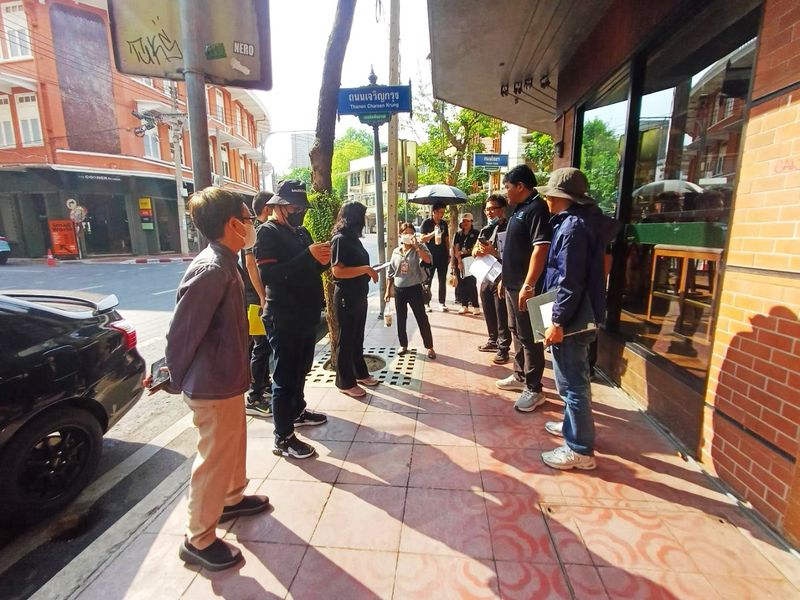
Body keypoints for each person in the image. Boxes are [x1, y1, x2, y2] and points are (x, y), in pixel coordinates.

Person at [163, 187, 269, 571]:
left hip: (228, 379)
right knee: (213, 459)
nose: (252, 225)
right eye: (248, 219)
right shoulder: (211, 269)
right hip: (212, 385)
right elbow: (183, 332)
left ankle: (230, 499)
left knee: (232, 447)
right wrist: (173, 376)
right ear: (232, 224)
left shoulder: (228, 261)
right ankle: (198, 539)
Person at [537, 168, 614, 471]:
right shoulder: (579, 223)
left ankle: (579, 449)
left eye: (549, 194)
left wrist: (557, 321)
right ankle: (573, 426)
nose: (546, 199)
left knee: (572, 385)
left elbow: (569, 282)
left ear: (561, 197)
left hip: (571, 319)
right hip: (577, 314)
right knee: (574, 380)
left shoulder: (573, 228)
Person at [253, 180, 329, 460]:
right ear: (277, 206)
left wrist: (322, 260)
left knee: (301, 370)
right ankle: (283, 437)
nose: (299, 212)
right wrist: (307, 256)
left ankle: (297, 411)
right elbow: (270, 276)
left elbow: (309, 269)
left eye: (301, 207)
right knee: (284, 378)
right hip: (283, 316)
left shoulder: (301, 232)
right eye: (294, 207)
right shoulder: (267, 233)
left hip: (306, 314)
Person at [495, 164, 552, 413]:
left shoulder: (537, 208)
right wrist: (504, 279)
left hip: (524, 287)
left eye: (507, 187)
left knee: (529, 337)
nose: (505, 192)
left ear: (520, 186)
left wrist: (528, 285)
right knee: (516, 331)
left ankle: (534, 388)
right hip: (511, 284)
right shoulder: (520, 208)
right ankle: (520, 375)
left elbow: (541, 248)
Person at [330, 201, 380, 398]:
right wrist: (366, 269)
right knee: (346, 339)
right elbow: (338, 271)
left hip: (359, 295)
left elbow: (357, 267)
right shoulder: (340, 240)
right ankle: (344, 382)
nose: (364, 220)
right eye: (362, 216)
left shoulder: (354, 240)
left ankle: (360, 373)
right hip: (346, 297)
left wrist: (368, 271)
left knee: (357, 337)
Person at [385, 223, 436, 359]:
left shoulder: (420, 247)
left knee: (421, 318)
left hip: (414, 289)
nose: (408, 235)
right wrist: (388, 290)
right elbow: (390, 272)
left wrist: (417, 247)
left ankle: (429, 347)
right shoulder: (396, 251)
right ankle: (403, 344)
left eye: (410, 232)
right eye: (405, 233)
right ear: (400, 235)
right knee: (401, 318)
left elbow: (428, 261)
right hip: (399, 290)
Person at [243, 191, 273, 417]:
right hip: (255, 299)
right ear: (267, 208)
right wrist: (262, 296)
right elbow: (250, 265)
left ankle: (264, 384)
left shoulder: (261, 229)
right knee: (260, 346)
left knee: (265, 345)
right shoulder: (254, 232)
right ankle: (254, 396)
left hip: (260, 297)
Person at [474, 193, 510, 365]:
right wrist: (477, 251)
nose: (489, 212)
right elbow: (475, 249)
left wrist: (493, 252)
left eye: (492, 209)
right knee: (488, 308)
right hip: (486, 274)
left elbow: (512, 255)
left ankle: (503, 348)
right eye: (487, 209)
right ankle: (492, 340)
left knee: (501, 311)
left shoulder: (509, 228)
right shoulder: (486, 229)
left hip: (502, 275)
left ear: (502, 210)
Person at [419, 201, 450, 312]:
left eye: (443, 212)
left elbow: (446, 239)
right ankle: (426, 302)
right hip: (430, 256)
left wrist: (448, 254)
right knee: (428, 280)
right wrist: (434, 232)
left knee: (442, 280)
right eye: (439, 212)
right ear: (434, 212)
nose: (441, 215)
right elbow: (422, 239)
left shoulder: (444, 223)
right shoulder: (426, 223)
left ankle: (442, 302)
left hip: (442, 255)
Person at [453, 212, 480, 315]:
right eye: (463, 221)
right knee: (462, 284)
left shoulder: (476, 233)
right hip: (460, 261)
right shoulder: (458, 234)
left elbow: (476, 247)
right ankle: (464, 305)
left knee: (471, 284)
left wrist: (464, 252)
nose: (465, 223)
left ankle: (476, 306)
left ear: (471, 222)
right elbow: (456, 248)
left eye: (467, 221)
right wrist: (459, 260)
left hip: (471, 261)